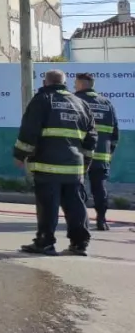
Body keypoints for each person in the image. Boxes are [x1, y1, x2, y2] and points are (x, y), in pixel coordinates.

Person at [13, 69, 97, 256]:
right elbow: (91, 137)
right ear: (64, 82)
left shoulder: (42, 100)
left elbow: (29, 130)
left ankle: (45, 243)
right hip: (74, 167)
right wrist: (86, 162)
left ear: (46, 82)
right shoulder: (80, 103)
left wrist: (20, 155)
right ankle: (79, 244)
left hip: (47, 165)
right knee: (76, 205)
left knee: (48, 206)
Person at [74, 72, 120, 231]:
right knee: (99, 188)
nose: (74, 86)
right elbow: (115, 134)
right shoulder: (107, 103)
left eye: (75, 83)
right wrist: (109, 152)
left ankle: (80, 221)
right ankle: (101, 220)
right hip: (101, 155)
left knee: (76, 186)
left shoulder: (75, 101)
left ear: (80, 84)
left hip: (79, 154)